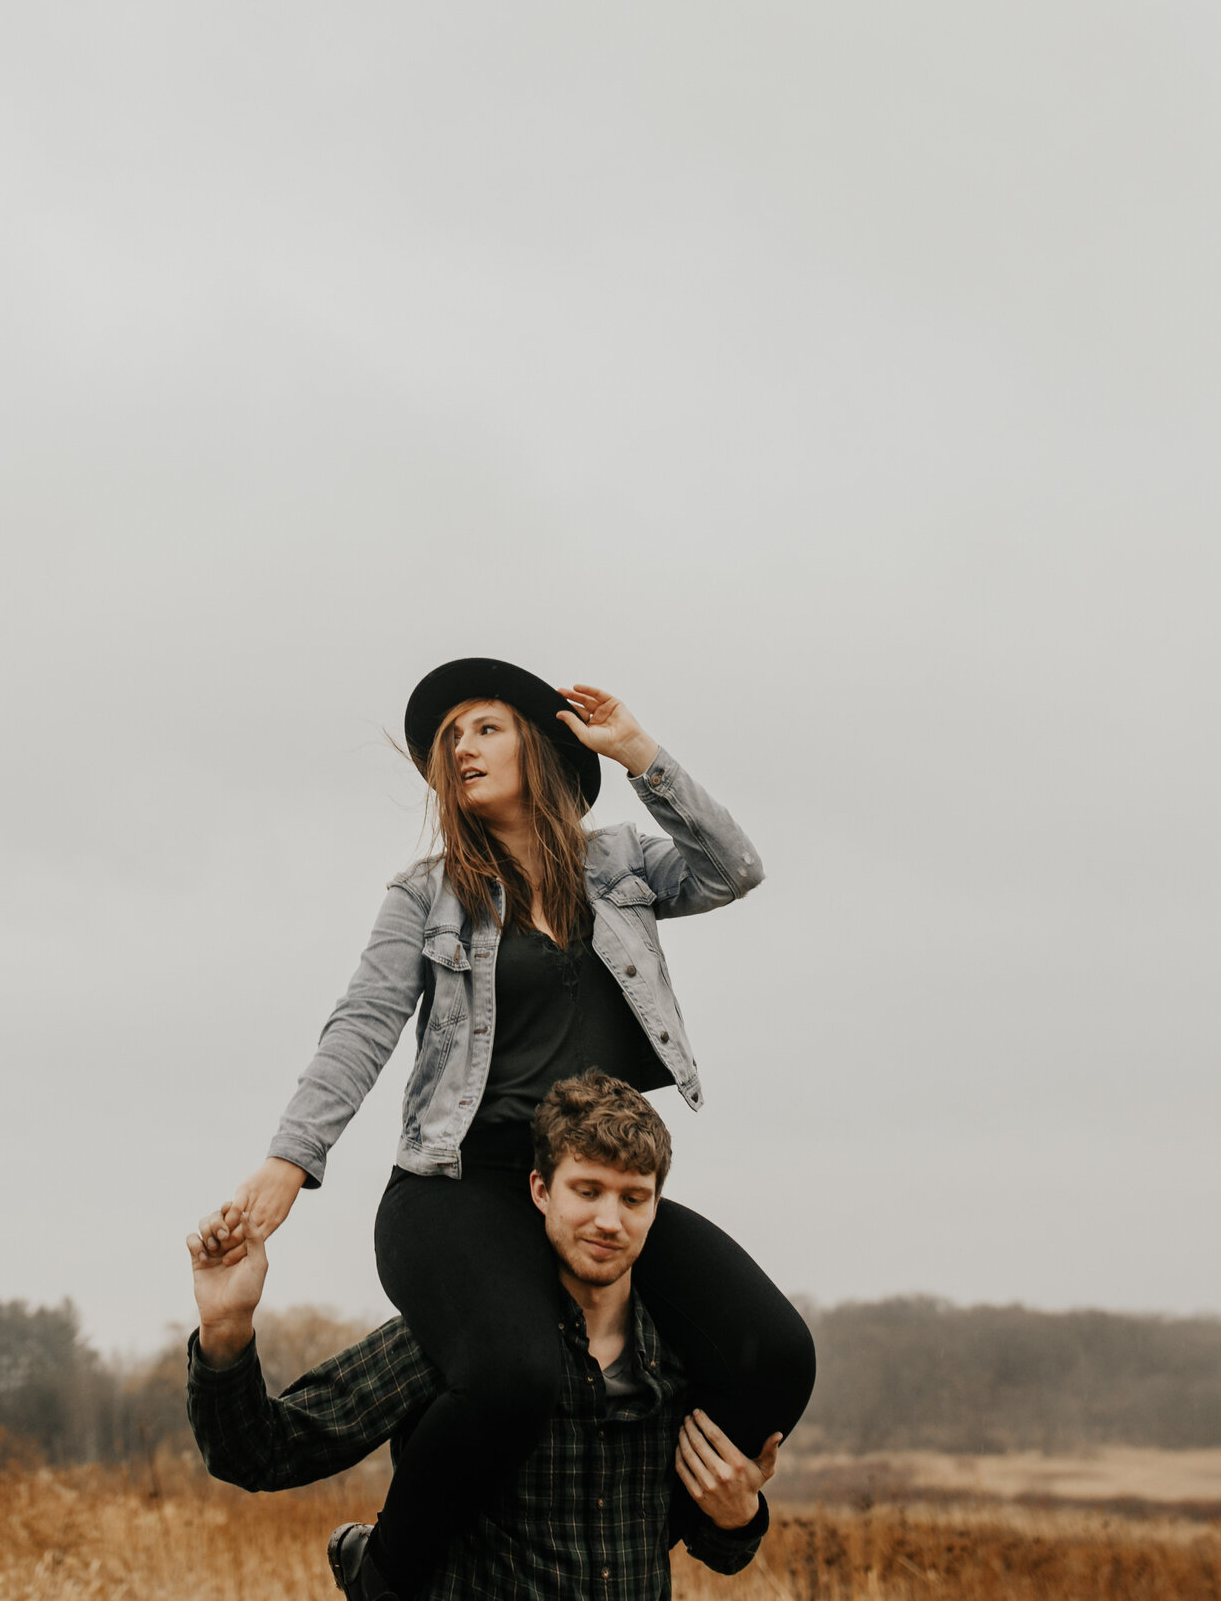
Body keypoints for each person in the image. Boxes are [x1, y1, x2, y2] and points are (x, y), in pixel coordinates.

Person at [197, 658, 815, 1600]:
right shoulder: (426, 895)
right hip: (459, 1184)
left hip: (586, 1178)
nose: (462, 748)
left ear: (539, 737)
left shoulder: (620, 867)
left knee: (777, 1353)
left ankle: (681, 1528)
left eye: (483, 726)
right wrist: (291, 1161)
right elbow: (361, 1025)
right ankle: (386, 1567)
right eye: (450, 739)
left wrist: (640, 752)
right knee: (514, 1374)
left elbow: (735, 869)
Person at [187, 1072, 780, 1600]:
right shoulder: (467, 1340)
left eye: (633, 1198)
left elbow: (721, 1554)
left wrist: (740, 1517)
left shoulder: (678, 1358)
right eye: (587, 1190)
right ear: (541, 1191)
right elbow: (261, 1453)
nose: (609, 1220)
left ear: (656, 1208)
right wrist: (226, 1327)